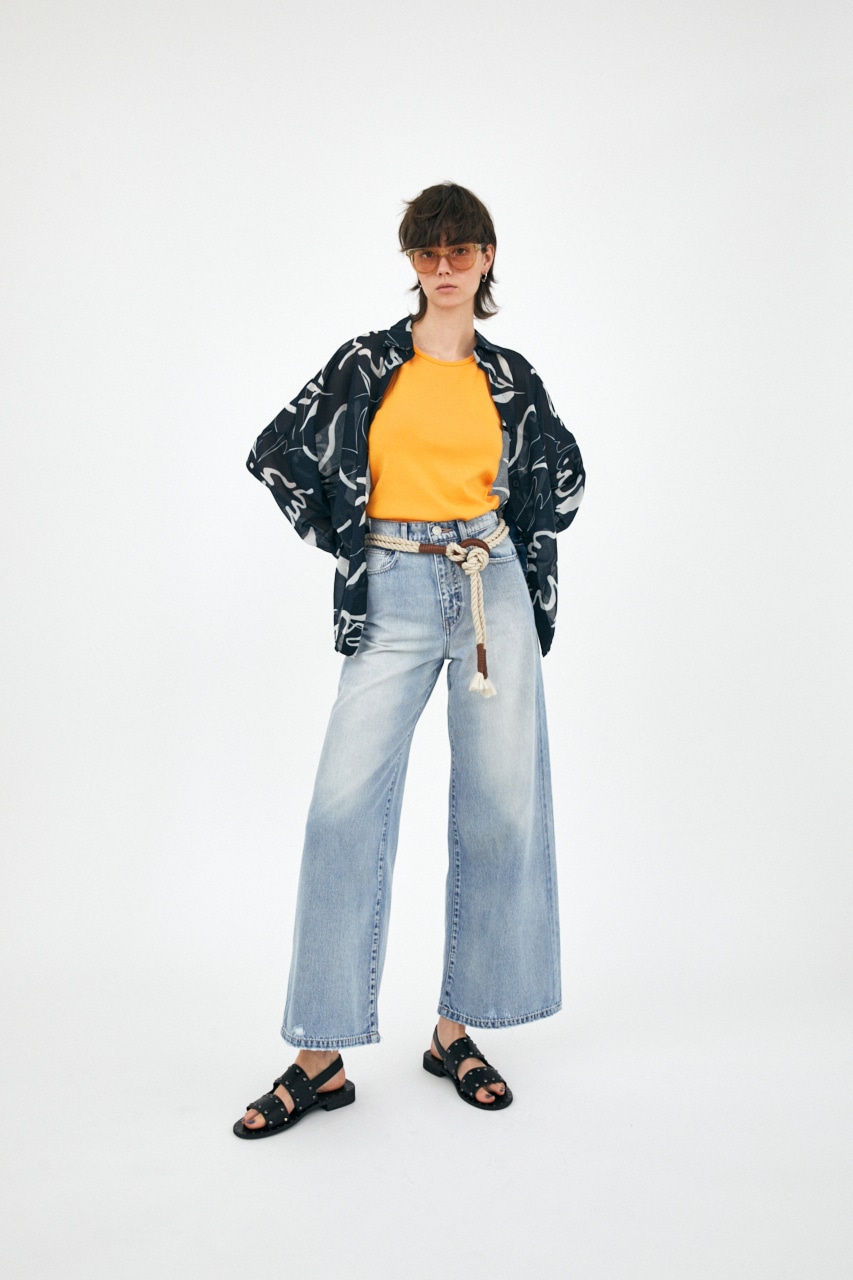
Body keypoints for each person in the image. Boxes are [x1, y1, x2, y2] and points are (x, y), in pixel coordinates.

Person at [233, 182, 585, 1137]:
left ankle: (455, 1032)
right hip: (390, 585)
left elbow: (562, 481)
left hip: (489, 588)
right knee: (340, 811)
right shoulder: (365, 363)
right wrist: (352, 539)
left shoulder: (511, 377)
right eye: (427, 252)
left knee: (499, 809)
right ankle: (319, 1057)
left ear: (486, 258)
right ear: (411, 262)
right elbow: (277, 452)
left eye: (459, 251)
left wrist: (505, 544)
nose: (443, 268)